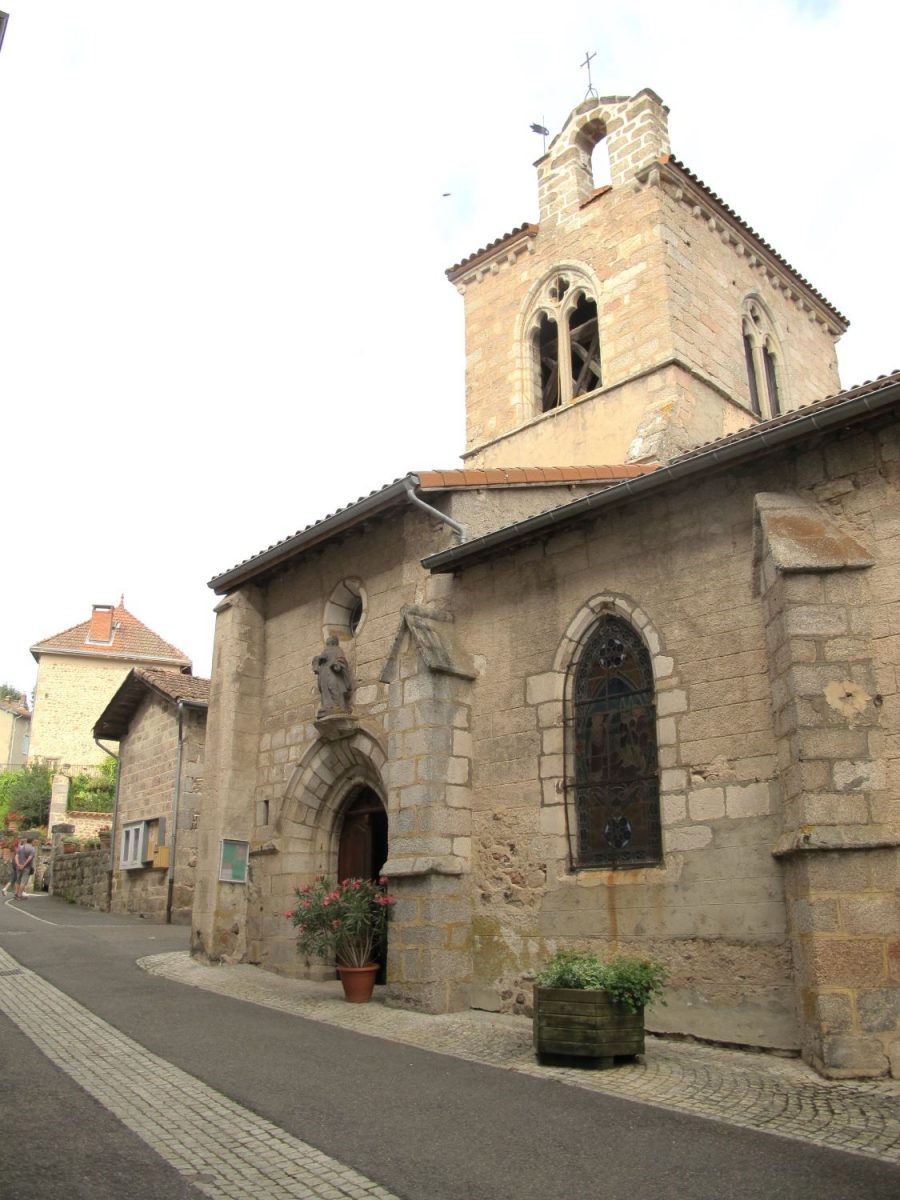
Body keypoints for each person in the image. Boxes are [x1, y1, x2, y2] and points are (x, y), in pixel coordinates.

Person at [312, 636, 352, 714]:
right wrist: (319, 659)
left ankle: (339, 706)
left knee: (334, 687)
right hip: (324, 673)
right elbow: (317, 661)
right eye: (328, 641)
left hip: (333, 672)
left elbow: (341, 659)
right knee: (325, 689)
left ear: (334, 642)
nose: (329, 643)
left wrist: (336, 664)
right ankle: (327, 706)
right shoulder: (324, 651)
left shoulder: (337, 649)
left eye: (331, 641)